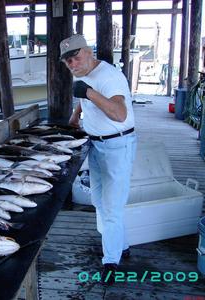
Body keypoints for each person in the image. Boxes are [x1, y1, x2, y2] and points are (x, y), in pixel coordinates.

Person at [60, 34, 137, 285]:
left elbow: (119, 113)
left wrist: (90, 93)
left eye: (75, 57)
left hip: (117, 144)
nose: (72, 64)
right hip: (95, 143)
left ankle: (111, 261)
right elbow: (84, 99)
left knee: (112, 207)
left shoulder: (109, 76)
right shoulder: (82, 72)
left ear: (89, 51)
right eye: (67, 61)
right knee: (98, 199)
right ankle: (120, 244)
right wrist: (74, 117)